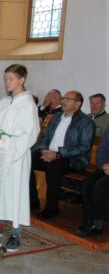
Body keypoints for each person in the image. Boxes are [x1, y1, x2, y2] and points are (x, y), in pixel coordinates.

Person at [0, 64, 39, 252]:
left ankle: (16, 233)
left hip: (17, 156)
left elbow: (29, 135)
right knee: (0, 190)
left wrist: (3, 142)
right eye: (5, 79)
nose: (7, 82)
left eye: (10, 79)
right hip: (1, 154)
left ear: (21, 80)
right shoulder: (3, 102)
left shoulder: (27, 104)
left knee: (15, 193)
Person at [29, 90, 95, 219]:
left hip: (72, 159)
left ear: (78, 104)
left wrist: (59, 153)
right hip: (50, 154)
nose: (63, 101)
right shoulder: (56, 117)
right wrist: (42, 149)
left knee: (53, 166)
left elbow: (83, 148)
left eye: (68, 99)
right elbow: (45, 137)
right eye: (64, 98)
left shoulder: (85, 122)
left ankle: (52, 208)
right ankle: (32, 201)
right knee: (27, 160)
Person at [75, 128, 109, 237]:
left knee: (100, 186)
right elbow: (102, 149)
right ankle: (89, 221)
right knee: (87, 183)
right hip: (106, 168)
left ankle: (97, 225)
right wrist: (103, 164)